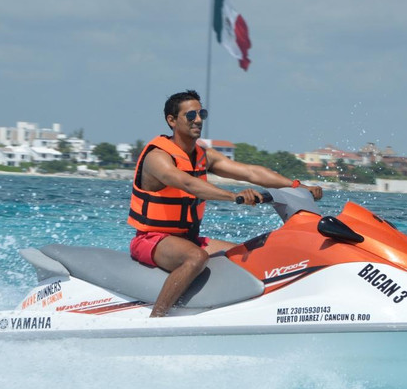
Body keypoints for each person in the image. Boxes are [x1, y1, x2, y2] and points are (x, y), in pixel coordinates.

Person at [128, 89, 323, 317]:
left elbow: (251, 172)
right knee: (196, 257)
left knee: (247, 257)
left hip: (188, 239)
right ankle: (156, 320)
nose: (198, 120)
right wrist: (234, 197)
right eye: (191, 115)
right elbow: (188, 184)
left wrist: (296, 186)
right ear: (171, 120)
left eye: (202, 114)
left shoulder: (203, 156)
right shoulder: (157, 158)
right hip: (151, 240)